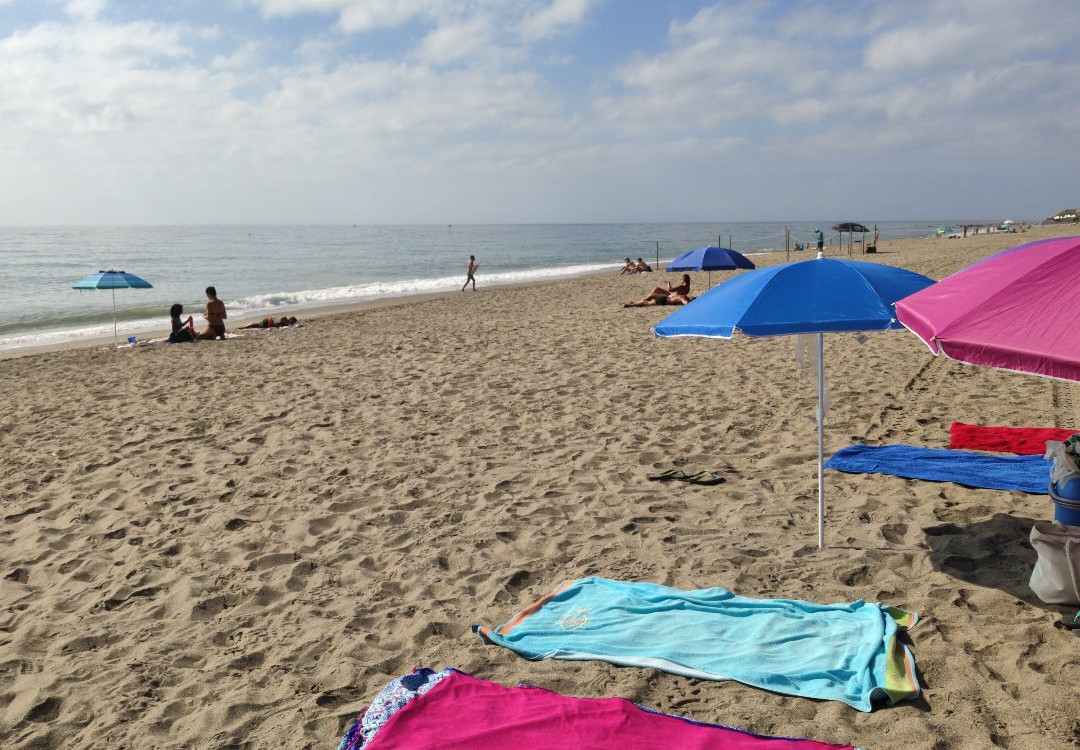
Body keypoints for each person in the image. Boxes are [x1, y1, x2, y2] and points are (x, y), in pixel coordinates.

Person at [624, 292, 695, 308]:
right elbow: (687, 303)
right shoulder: (683, 298)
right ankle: (631, 305)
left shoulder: (682, 296)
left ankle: (635, 302)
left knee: (651, 296)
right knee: (647, 303)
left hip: (665, 298)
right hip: (663, 300)